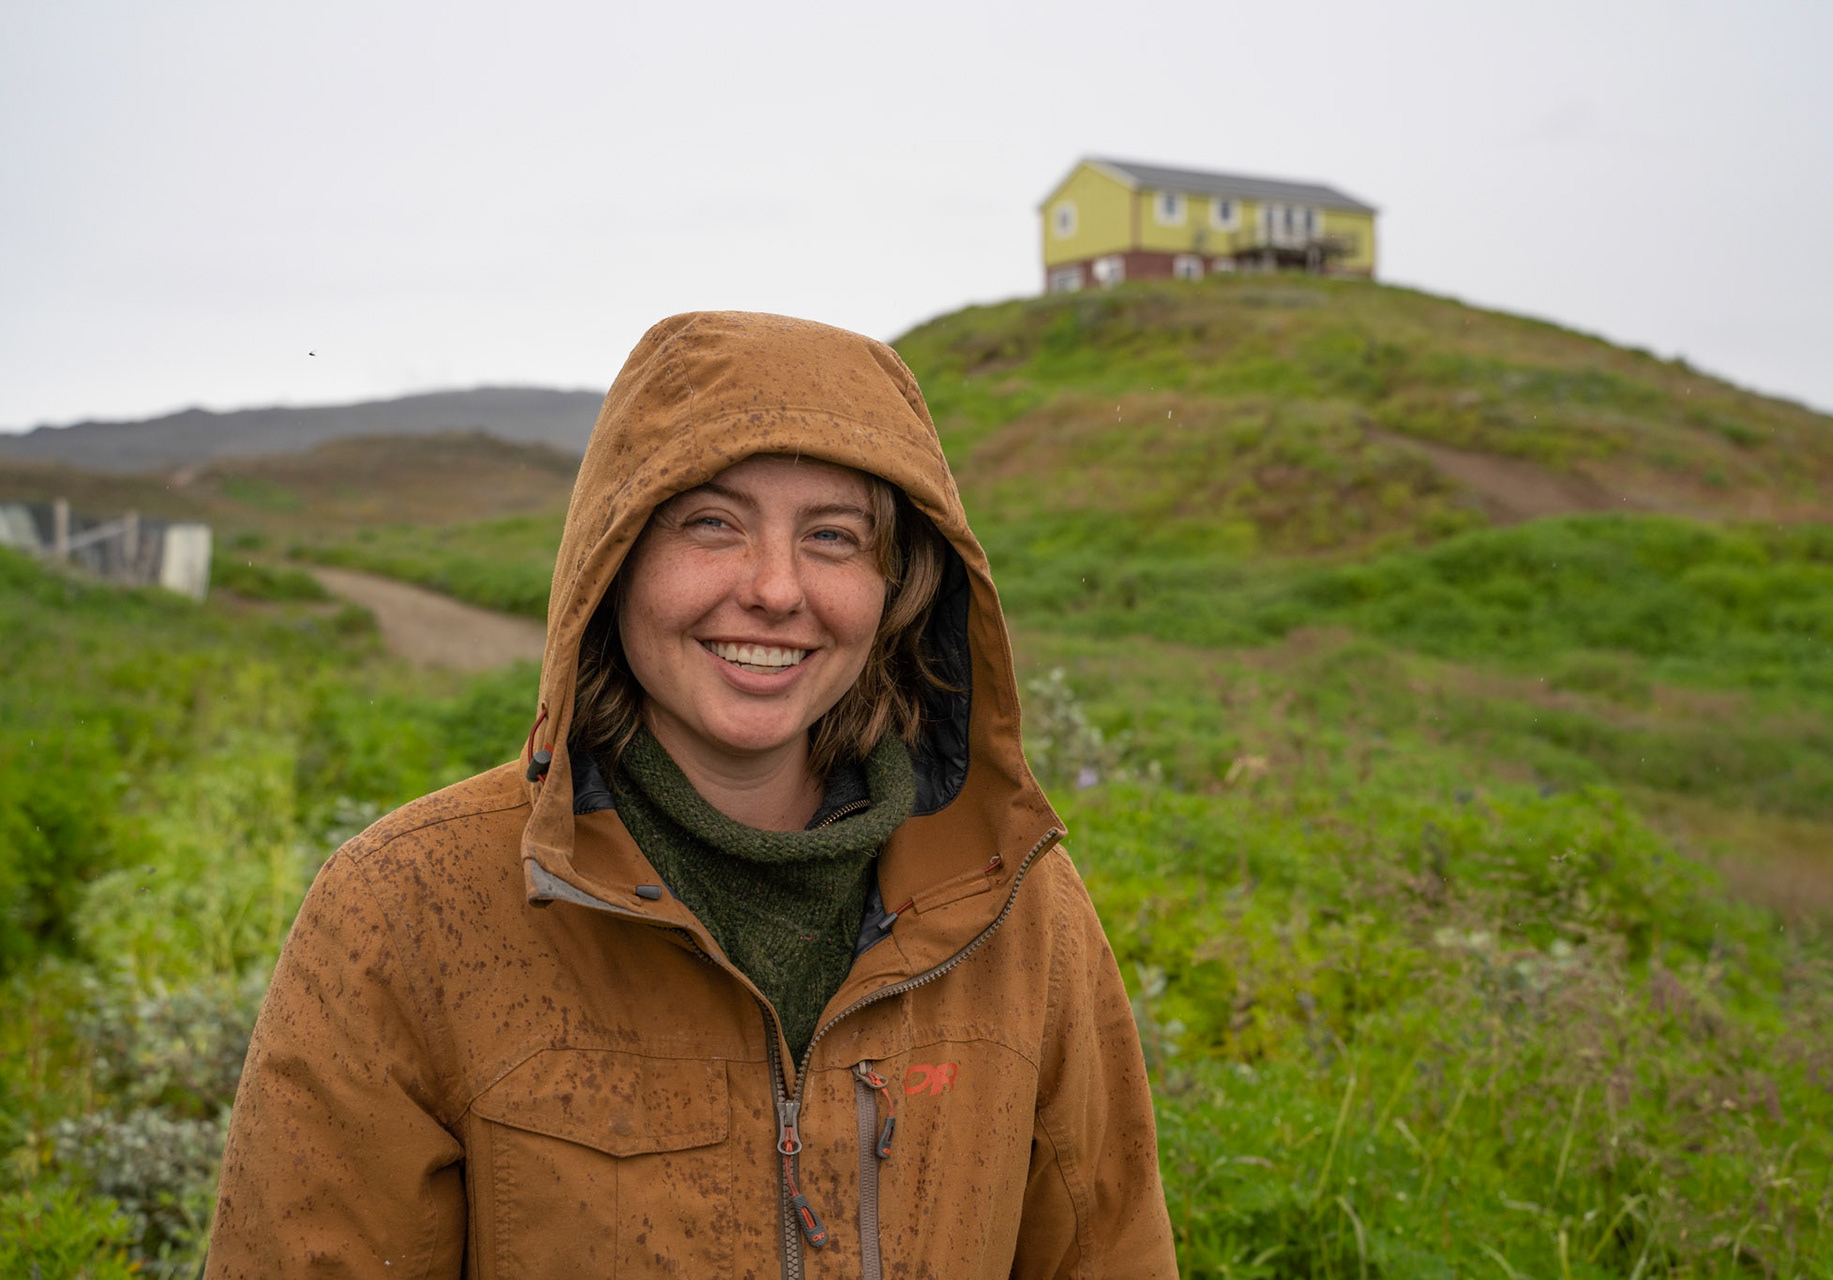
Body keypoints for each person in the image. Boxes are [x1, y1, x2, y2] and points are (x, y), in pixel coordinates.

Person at [204, 312, 1177, 1278]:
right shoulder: (406, 911)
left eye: (834, 537)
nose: (774, 587)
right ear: (613, 561)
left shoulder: (1015, 907)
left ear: (898, 587)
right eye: (712, 523)